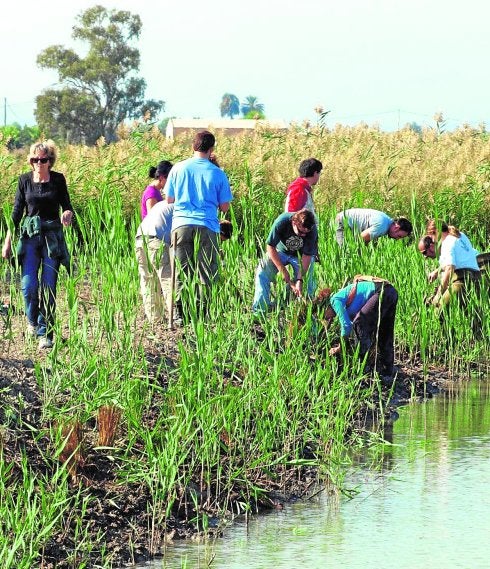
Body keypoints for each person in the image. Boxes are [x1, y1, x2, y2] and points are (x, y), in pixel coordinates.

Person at [1, 140, 73, 349]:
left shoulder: (58, 180)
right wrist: (7, 241)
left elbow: (67, 206)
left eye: (42, 160)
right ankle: (32, 320)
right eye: (34, 160)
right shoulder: (24, 180)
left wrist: (67, 214)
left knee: (48, 286)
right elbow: (16, 212)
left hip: (51, 237)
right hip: (30, 237)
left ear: (49, 161)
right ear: (31, 161)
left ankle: (45, 333)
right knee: (28, 285)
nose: (38, 163)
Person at [165, 130, 233, 320]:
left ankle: (181, 313)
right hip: (207, 224)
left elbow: (169, 199)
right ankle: (202, 313)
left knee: (181, 268)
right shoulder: (218, 173)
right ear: (211, 149)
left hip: (181, 223)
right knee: (206, 270)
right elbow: (225, 207)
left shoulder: (177, 168)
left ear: (193, 146)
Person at [136, 201, 233, 326]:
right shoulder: (187, 211)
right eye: (219, 240)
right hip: (157, 240)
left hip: (140, 238)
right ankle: (176, 318)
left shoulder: (166, 204)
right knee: (170, 279)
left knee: (148, 281)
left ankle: (155, 321)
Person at [325, 275, 398, 384]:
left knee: (359, 324)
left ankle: (364, 368)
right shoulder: (344, 306)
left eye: (324, 316)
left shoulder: (335, 300)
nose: (327, 318)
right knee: (384, 331)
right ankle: (388, 371)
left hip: (382, 291)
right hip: (391, 292)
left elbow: (347, 326)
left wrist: (340, 348)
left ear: (325, 307)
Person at [252, 209, 318, 315]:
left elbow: (307, 256)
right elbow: (270, 246)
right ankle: (259, 311)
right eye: (300, 232)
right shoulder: (282, 221)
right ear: (294, 222)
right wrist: (282, 269)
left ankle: (307, 311)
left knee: (309, 279)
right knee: (262, 271)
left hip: (300, 256)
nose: (303, 236)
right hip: (280, 252)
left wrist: (299, 280)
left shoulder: (312, 230)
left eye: (306, 233)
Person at [418, 220, 481, 308]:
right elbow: (459, 260)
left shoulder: (447, 242)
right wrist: (437, 271)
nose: (433, 239)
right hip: (477, 279)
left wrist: (438, 295)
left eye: (432, 235)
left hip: (461, 280)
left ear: (436, 231)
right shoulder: (460, 235)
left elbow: (449, 269)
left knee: (439, 311)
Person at [335, 208, 412, 245]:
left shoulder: (387, 221)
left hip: (348, 222)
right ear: (396, 228)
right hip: (342, 221)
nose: (397, 239)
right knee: (344, 251)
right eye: (399, 236)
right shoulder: (382, 226)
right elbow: (360, 238)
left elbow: (367, 240)